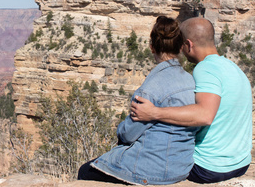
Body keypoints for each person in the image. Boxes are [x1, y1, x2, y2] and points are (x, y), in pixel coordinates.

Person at [78, 16, 198, 185]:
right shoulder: (192, 81)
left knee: (84, 170)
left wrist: (120, 128)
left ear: (151, 48)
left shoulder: (149, 89)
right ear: (180, 48)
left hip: (150, 170)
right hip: (181, 167)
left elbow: (128, 134)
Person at [130, 17, 252, 184]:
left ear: (188, 44)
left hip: (208, 167)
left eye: (181, 45)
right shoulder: (233, 68)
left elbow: (205, 115)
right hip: (240, 163)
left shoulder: (205, 69)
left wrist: (153, 113)